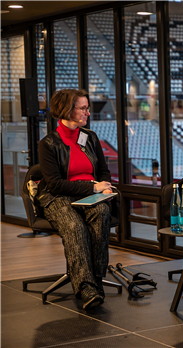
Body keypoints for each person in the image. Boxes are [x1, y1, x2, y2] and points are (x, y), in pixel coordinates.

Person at [37, 89, 114, 310]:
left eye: (87, 108)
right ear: (67, 110)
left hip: (91, 193)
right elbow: (55, 185)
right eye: (83, 108)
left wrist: (105, 187)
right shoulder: (48, 144)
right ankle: (85, 287)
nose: (88, 112)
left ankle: (96, 282)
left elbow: (103, 171)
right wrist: (93, 186)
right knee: (74, 226)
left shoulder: (90, 137)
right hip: (57, 196)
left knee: (102, 213)